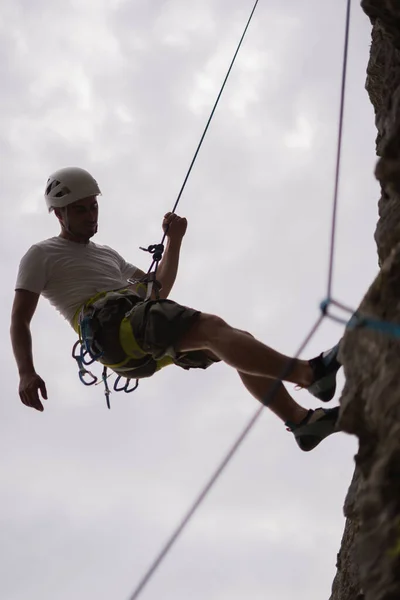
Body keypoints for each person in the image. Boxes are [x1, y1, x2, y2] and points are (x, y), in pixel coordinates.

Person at [10, 167, 343, 451]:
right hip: (109, 328)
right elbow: (19, 320)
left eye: (93, 206)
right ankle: (308, 373)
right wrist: (26, 371)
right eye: (80, 210)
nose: (90, 215)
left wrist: (175, 240)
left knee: (235, 341)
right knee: (213, 330)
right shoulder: (42, 254)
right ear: (59, 213)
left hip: (132, 328)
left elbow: (158, 290)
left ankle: (301, 422)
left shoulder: (107, 255)